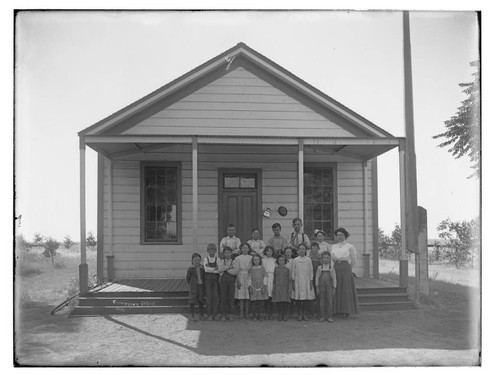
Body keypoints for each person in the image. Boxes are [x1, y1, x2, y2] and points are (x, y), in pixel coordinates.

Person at [330, 227, 360, 319]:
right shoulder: (333, 246)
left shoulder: (349, 246)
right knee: (337, 287)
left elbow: (354, 259)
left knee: (345, 289)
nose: (340, 237)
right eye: (338, 235)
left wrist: (349, 269)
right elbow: (331, 258)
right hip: (336, 267)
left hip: (345, 268)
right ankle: (337, 310)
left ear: (345, 236)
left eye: (342, 235)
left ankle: (346, 310)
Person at [291, 243, 315, 321]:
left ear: (305, 250)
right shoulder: (295, 260)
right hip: (298, 280)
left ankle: (305, 313)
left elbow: (311, 271)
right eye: (300, 249)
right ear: (298, 250)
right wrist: (293, 281)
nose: (301, 250)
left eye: (303, 249)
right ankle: (299, 313)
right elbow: (293, 272)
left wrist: (311, 280)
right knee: (298, 297)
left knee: (306, 298)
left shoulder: (308, 260)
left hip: (306, 280)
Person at [315, 252, 336, 322]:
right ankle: (323, 316)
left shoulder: (331, 268)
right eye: (324, 258)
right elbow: (317, 277)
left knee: (329, 301)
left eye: (327, 258)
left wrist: (334, 287)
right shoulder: (319, 268)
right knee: (322, 301)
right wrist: (317, 287)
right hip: (321, 287)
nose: (326, 259)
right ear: (322, 259)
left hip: (329, 287)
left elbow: (334, 278)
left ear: (330, 259)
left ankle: (329, 316)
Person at [234, 242, 253, 319]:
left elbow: (252, 268)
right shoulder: (238, 258)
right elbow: (236, 270)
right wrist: (238, 280)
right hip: (240, 275)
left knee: (248, 295)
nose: (245, 249)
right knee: (241, 295)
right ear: (241, 249)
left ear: (248, 249)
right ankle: (241, 312)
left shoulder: (251, 257)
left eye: (246, 248)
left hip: (249, 276)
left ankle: (247, 312)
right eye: (243, 248)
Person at [203, 243, 222, 321]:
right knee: (209, 297)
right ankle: (209, 314)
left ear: (215, 251)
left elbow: (219, 270)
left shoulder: (218, 259)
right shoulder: (205, 259)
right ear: (208, 251)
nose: (212, 252)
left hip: (215, 280)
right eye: (210, 250)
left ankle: (215, 314)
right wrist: (215, 268)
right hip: (208, 280)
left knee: (216, 297)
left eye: (213, 250)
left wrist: (212, 269)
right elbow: (206, 269)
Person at [218, 246, 237, 321]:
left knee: (231, 298)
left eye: (229, 252)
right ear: (224, 253)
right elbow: (219, 270)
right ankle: (223, 314)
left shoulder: (234, 261)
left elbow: (235, 271)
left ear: (231, 253)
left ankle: (231, 314)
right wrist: (229, 267)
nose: (227, 254)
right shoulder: (221, 261)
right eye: (226, 252)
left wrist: (225, 269)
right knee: (223, 298)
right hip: (223, 281)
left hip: (231, 281)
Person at [186, 253, 206, 322]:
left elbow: (204, 276)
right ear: (192, 261)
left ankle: (201, 314)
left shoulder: (202, 268)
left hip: (201, 286)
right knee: (192, 301)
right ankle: (192, 315)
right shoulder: (190, 269)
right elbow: (187, 278)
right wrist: (192, 284)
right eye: (195, 260)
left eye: (198, 260)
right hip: (194, 287)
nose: (197, 262)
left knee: (201, 300)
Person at [247, 253, 268, 321]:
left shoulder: (262, 268)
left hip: (261, 286)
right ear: (253, 261)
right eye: (254, 260)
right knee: (253, 302)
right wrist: (250, 286)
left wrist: (264, 286)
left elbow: (265, 277)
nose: (256, 261)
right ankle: (254, 315)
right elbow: (249, 278)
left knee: (260, 302)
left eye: (257, 260)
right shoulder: (251, 268)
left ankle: (259, 315)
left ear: (260, 260)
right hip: (253, 286)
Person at [272, 254, 292, 321]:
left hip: (285, 287)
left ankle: (284, 314)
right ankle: (280, 314)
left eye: (283, 260)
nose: (281, 261)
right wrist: (274, 287)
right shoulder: (276, 269)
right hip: (278, 287)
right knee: (279, 301)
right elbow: (274, 279)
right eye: (280, 260)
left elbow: (289, 279)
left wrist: (289, 288)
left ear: (285, 261)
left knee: (285, 301)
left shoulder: (287, 270)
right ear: (278, 261)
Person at [261, 245, 276, 319]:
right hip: (266, 277)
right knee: (266, 295)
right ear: (265, 252)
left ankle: (271, 313)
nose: (269, 253)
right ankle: (266, 313)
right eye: (267, 251)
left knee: (271, 296)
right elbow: (262, 269)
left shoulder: (274, 260)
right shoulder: (263, 260)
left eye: (270, 251)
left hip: (272, 277)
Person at [308, 242, 322, 317]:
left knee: (318, 295)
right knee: (311, 295)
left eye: (315, 248)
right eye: (312, 248)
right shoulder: (308, 258)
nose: (314, 250)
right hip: (310, 279)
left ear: (318, 249)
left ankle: (319, 311)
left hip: (319, 279)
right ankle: (311, 311)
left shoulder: (321, 258)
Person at [283, 246, 295, 318]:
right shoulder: (282, 261)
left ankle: (291, 312)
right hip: (284, 280)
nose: (288, 254)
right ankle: (286, 312)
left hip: (292, 279)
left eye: (289, 252)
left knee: (292, 295)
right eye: (287, 252)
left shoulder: (294, 261)